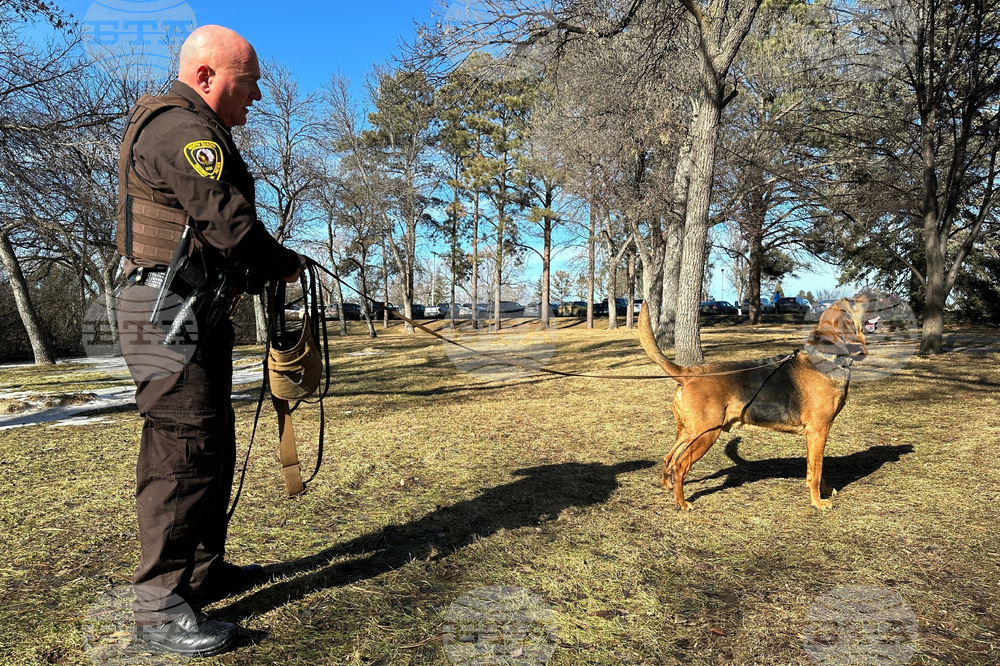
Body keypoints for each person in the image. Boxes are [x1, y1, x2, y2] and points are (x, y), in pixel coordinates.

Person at [115, 25, 300, 657]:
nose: (256, 98)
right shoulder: (179, 129)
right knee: (183, 450)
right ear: (205, 77)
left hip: (190, 306)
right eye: (247, 84)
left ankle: (200, 572)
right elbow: (229, 225)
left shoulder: (194, 126)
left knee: (210, 441)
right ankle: (158, 608)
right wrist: (283, 264)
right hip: (166, 311)